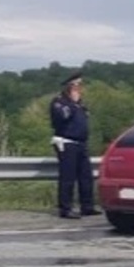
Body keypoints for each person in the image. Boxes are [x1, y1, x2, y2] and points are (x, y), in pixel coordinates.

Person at [50, 71, 99, 218]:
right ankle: (65, 209)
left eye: (80, 84)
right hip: (66, 143)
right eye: (77, 85)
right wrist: (73, 104)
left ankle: (87, 206)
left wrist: (77, 104)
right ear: (69, 86)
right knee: (68, 177)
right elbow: (62, 118)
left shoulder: (79, 103)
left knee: (86, 177)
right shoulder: (59, 102)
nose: (79, 88)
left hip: (81, 143)